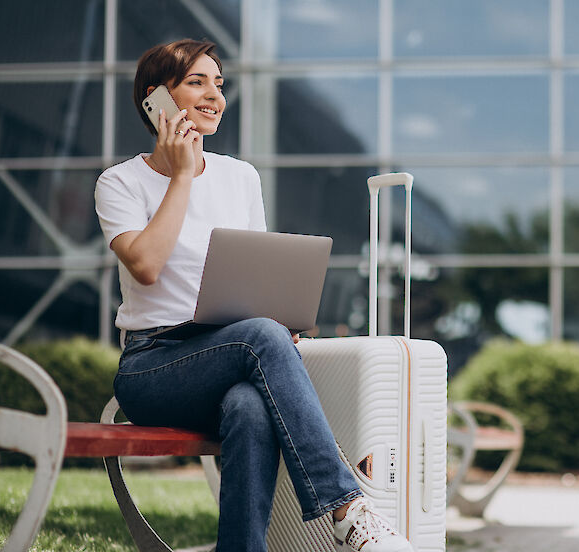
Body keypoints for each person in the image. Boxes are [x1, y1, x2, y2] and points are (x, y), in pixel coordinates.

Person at [94, 39, 414, 552]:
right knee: (259, 338)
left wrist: (278, 313)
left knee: (249, 406)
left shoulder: (241, 177)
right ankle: (347, 509)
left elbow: (257, 283)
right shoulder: (120, 182)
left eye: (218, 84)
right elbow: (147, 266)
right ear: (156, 99)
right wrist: (181, 176)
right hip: (154, 364)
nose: (214, 95)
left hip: (235, 351)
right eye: (196, 82)